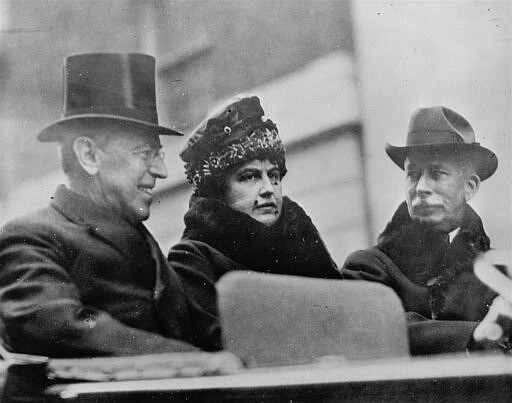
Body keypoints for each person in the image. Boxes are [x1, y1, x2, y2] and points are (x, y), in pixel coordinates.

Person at [0, 53, 239, 361]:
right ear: (89, 155)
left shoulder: (144, 243)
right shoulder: (29, 238)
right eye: (144, 152)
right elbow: (62, 327)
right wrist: (196, 362)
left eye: (159, 154)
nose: (161, 171)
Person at [168, 95, 341, 351]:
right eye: (249, 177)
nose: (268, 189)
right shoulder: (193, 260)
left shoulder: (302, 241)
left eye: (274, 176)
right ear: (217, 191)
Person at [342, 106, 501, 354]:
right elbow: (377, 331)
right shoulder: (368, 268)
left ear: (469, 187)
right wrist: (476, 336)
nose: (421, 187)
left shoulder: (498, 274)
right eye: (413, 174)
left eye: (437, 174)